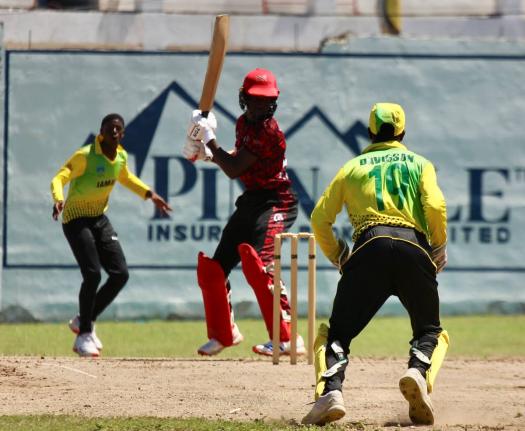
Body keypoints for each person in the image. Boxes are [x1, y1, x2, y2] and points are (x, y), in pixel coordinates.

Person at [302, 103, 449, 426]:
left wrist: (340, 254)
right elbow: (435, 204)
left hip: (369, 246)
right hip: (414, 247)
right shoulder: (419, 163)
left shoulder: (352, 167)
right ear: (402, 133)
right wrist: (437, 247)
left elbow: (319, 219)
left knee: (336, 335)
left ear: (370, 132)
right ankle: (418, 372)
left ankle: (330, 391)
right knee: (431, 332)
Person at [182, 68, 304, 357]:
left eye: (266, 100)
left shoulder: (270, 131)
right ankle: (223, 334)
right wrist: (207, 154)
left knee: (261, 266)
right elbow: (239, 161)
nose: (261, 106)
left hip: (278, 202)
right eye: (255, 100)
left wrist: (210, 138)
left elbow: (235, 170)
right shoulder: (243, 124)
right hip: (252, 201)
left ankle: (288, 338)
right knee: (215, 269)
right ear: (243, 99)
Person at [51, 113, 172, 357]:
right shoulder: (85, 156)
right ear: (101, 132)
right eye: (110, 128)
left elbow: (125, 177)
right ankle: (84, 334)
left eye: (118, 129)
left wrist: (150, 194)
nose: (114, 132)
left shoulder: (121, 157)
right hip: (75, 218)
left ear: (123, 134)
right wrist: (58, 199)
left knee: (120, 274)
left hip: (98, 218)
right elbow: (60, 177)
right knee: (93, 274)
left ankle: (84, 320)